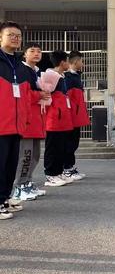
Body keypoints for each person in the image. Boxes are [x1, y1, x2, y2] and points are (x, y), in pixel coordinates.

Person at [0, 22, 32, 219]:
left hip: (16, 125)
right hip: (1, 123)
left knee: (10, 165)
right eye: (10, 34)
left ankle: (4, 198)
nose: (15, 38)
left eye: (18, 35)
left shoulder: (20, 66)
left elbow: (26, 94)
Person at [12, 42, 49, 201]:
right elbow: (22, 95)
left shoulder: (36, 72)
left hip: (36, 119)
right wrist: (39, 95)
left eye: (39, 51)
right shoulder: (21, 70)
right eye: (32, 51)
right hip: (27, 120)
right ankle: (18, 187)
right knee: (25, 155)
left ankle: (27, 183)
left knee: (34, 155)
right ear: (24, 54)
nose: (36, 53)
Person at [44, 50, 75, 187]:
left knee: (61, 147)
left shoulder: (61, 76)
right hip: (54, 118)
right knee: (52, 147)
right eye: (67, 61)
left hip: (62, 118)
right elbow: (45, 95)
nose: (69, 63)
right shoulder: (50, 75)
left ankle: (58, 171)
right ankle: (51, 174)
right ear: (62, 62)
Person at [63, 50, 90, 180]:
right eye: (81, 61)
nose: (83, 64)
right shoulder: (67, 77)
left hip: (76, 115)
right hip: (70, 116)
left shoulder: (76, 76)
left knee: (74, 143)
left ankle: (70, 167)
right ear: (75, 62)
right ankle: (66, 168)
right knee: (69, 143)